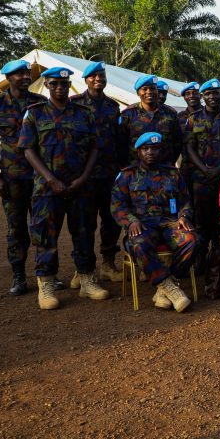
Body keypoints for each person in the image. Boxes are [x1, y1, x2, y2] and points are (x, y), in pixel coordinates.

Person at [18, 67, 107, 310]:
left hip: (80, 187)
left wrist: (83, 178)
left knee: (84, 232)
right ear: (46, 85)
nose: (60, 88)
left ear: (70, 86)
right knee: (46, 236)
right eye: (55, 83)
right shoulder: (34, 114)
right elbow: (28, 150)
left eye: (64, 84)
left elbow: (95, 149)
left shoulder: (84, 113)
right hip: (47, 189)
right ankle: (46, 284)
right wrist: (51, 180)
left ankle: (87, 279)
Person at [0, 59, 49, 295]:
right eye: (19, 74)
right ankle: (19, 276)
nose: (24, 77)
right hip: (12, 177)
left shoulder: (40, 103)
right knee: (16, 229)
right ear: (8, 78)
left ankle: (46, 275)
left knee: (43, 226)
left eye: (26, 73)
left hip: (39, 176)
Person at [111, 132, 196, 312]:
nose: (150, 152)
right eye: (145, 148)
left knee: (191, 241)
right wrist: (131, 221)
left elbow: (185, 200)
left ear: (161, 151)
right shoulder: (127, 175)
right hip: (142, 224)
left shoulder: (173, 174)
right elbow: (117, 205)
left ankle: (164, 287)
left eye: (155, 149)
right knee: (138, 244)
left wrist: (183, 216)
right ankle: (169, 287)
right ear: (138, 152)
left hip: (169, 223)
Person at [185, 78, 220, 298]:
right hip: (201, 177)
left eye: (216, 93)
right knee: (202, 218)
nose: (212, 97)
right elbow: (189, 147)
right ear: (202, 96)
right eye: (208, 94)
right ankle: (201, 260)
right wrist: (205, 168)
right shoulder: (193, 119)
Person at [70, 61, 123, 283]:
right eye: (94, 76)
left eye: (101, 76)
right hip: (85, 175)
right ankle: (82, 269)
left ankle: (108, 264)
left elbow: (119, 141)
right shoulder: (75, 104)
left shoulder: (113, 107)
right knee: (84, 223)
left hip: (110, 174)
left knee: (111, 221)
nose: (98, 79)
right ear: (86, 80)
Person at [119, 74, 183, 166]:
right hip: (136, 171)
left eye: (152, 88)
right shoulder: (128, 114)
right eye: (144, 89)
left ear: (157, 90)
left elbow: (177, 143)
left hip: (164, 170)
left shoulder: (170, 114)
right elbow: (121, 144)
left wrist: (169, 163)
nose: (149, 92)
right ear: (138, 93)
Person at [177, 81, 202, 200]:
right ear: (184, 97)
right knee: (186, 199)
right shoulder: (179, 117)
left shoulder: (208, 114)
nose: (191, 95)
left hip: (205, 166)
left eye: (195, 93)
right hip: (186, 166)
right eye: (188, 93)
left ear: (200, 96)